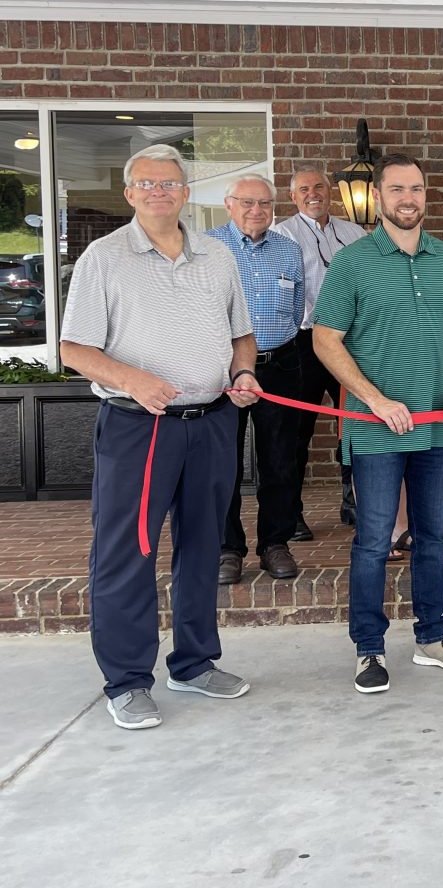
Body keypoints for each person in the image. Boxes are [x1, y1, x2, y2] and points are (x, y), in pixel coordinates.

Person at [60, 143, 261, 730]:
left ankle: (195, 663)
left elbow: (240, 336)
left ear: (185, 192)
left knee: (203, 546)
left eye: (169, 183)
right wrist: (132, 379)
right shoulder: (103, 257)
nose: (159, 192)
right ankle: (126, 680)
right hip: (136, 427)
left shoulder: (217, 257)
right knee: (128, 553)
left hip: (212, 422)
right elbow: (73, 349)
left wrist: (243, 372)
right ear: (129, 194)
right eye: (146, 184)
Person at [313, 153, 443, 695]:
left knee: (431, 536)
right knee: (374, 540)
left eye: (416, 188)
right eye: (397, 189)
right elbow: (325, 338)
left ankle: (433, 638)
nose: (408, 198)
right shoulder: (354, 261)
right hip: (375, 429)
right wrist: (374, 399)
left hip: (435, 425)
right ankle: (368, 650)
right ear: (380, 197)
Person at [208, 174, 307, 585]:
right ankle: (227, 548)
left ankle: (275, 543)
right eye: (247, 202)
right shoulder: (208, 248)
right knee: (222, 463)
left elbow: (297, 306)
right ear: (229, 204)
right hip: (222, 370)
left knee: (281, 460)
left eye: (264, 203)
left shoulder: (289, 249)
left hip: (280, 364)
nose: (256, 210)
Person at [273, 163, 367, 529]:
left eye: (319, 187)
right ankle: (290, 515)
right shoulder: (282, 235)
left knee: (357, 425)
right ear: (293, 196)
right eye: (304, 189)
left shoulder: (354, 232)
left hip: (352, 341)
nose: (313, 194)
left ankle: (355, 501)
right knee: (296, 429)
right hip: (304, 340)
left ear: (330, 193)